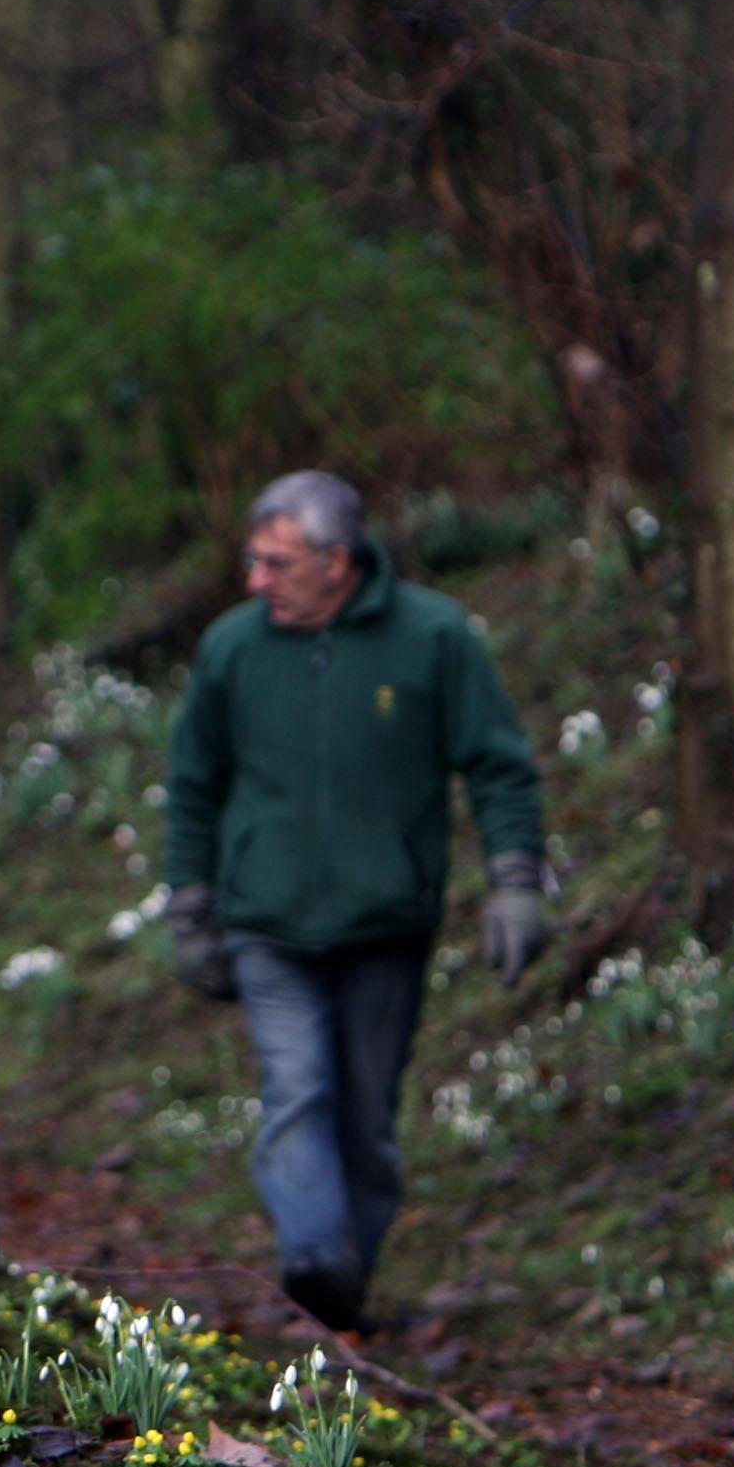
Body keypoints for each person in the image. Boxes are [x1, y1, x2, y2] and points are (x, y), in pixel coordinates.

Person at [159, 471, 549, 1333]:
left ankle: (344, 1285)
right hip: (268, 921)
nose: (257, 582)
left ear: (339, 562)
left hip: (387, 925)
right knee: (297, 1091)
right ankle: (312, 1263)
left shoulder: (434, 638)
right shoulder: (233, 648)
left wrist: (516, 881)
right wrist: (189, 908)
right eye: (251, 562)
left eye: (278, 564)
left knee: (367, 1116)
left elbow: (497, 766)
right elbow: (193, 784)